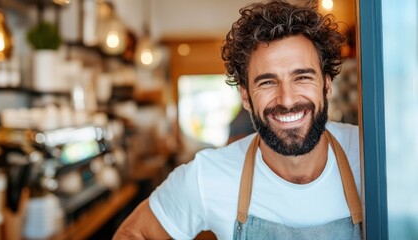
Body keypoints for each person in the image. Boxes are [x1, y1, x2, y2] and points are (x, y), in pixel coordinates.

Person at [113, 0, 362, 239]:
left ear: (327, 85)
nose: (286, 100)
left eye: (302, 77)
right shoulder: (207, 176)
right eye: (267, 82)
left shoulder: (369, 156)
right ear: (245, 95)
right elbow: (135, 233)